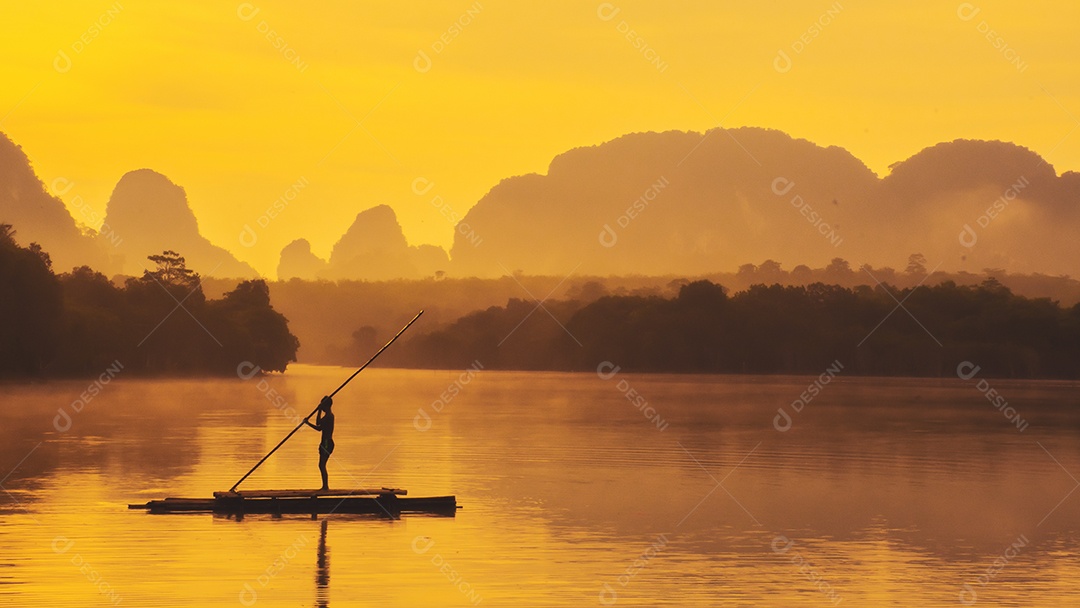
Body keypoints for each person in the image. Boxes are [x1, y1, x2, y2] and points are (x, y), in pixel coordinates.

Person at [305, 396, 335, 490]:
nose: (321, 407)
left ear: (326, 406)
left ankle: (325, 486)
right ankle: (325, 486)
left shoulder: (329, 417)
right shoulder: (328, 416)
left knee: (322, 465)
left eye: (322, 405)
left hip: (326, 443)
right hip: (325, 442)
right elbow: (319, 424)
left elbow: (318, 426)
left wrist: (308, 423)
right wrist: (319, 410)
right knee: (321, 465)